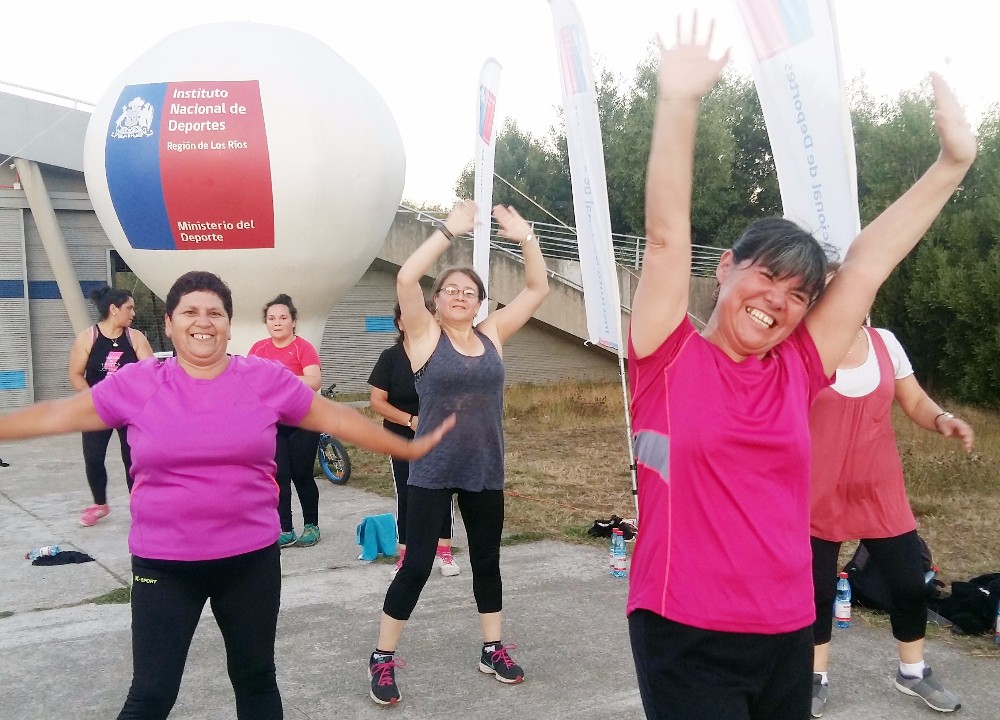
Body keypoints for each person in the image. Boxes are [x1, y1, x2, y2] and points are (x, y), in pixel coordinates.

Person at [626, 15, 975, 720]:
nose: (776, 303)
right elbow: (666, 239)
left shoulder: (797, 369)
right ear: (725, 269)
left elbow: (871, 259)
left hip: (786, 626)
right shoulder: (666, 358)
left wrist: (952, 165)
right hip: (683, 626)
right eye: (766, 278)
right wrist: (680, 102)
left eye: (799, 294)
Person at [0, 271, 453, 720]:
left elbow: (335, 419)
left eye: (215, 312)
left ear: (230, 324)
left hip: (250, 562)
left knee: (255, 680)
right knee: (152, 694)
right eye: (190, 312)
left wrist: (406, 446)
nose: (204, 321)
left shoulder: (263, 379)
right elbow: (56, 415)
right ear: (171, 324)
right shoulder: (138, 382)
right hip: (164, 566)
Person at [367, 201, 549, 705]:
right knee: (418, 563)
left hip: (484, 466)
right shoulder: (425, 337)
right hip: (432, 467)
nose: (460, 296)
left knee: (487, 562)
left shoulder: (492, 335)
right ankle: (382, 657)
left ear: (479, 302)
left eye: (470, 292)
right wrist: (450, 229)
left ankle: (492, 647)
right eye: (451, 290)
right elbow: (406, 277)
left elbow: (537, 290)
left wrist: (526, 237)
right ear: (437, 301)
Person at [809, 319, 974, 717]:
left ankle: (912, 672)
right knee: (816, 591)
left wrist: (941, 419)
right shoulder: (803, 345)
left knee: (907, 582)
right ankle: (813, 677)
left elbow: (915, 402)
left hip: (879, 490)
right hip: (814, 490)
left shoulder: (885, 343)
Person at [368, 301, 460, 579]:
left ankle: (443, 551)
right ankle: (406, 554)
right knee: (408, 493)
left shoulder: (443, 356)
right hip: (401, 438)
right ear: (399, 323)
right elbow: (377, 402)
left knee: (442, 490)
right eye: (410, 316)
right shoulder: (390, 357)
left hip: (438, 437)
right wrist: (410, 420)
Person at [68, 285, 153, 526]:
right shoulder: (88, 337)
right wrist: (92, 398)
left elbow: (150, 374)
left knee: (133, 460)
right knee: (93, 457)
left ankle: (139, 506)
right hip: (97, 409)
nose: (133, 313)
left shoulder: (135, 338)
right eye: (130, 308)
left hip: (129, 411)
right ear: (114, 309)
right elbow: (75, 374)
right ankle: (99, 504)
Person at [248, 293, 323, 548]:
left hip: (303, 420)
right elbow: (250, 382)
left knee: (302, 475)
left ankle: (312, 526)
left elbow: (313, 381)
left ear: (293, 321)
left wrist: (280, 379)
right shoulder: (258, 349)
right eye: (271, 318)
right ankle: (285, 529)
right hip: (272, 424)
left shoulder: (302, 347)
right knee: (279, 476)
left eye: (282, 318)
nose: (277, 323)